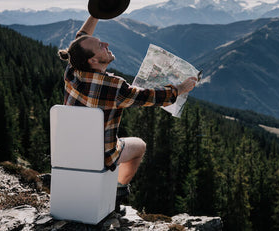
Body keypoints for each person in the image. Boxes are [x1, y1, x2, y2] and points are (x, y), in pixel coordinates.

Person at [58, 15, 197, 213]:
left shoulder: (72, 71)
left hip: (70, 150)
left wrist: (95, 14)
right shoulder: (115, 88)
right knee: (139, 146)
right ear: (94, 60)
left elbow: (81, 39)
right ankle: (118, 191)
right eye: (100, 46)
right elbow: (149, 96)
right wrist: (180, 88)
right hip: (101, 156)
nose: (105, 43)